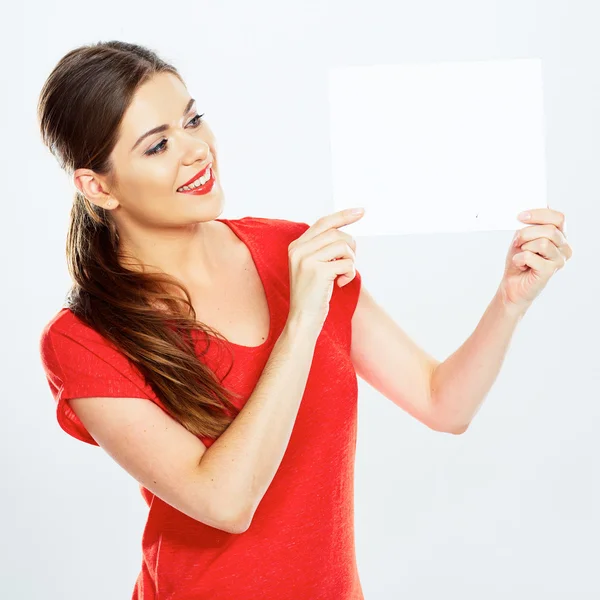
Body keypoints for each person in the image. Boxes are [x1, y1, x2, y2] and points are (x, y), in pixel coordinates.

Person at [38, 40, 366, 599]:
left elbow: (441, 401)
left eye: (193, 120)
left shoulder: (289, 251)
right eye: (158, 145)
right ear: (98, 187)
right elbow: (225, 502)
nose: (196, 150)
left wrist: (513, 296)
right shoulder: (83, 341)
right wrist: (301, 324)